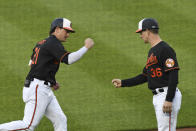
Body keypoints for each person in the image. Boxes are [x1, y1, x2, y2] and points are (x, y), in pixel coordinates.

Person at [0, 18, 94, 131]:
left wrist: (51, 80)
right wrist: (86, 47)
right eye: (66, 31)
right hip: (38, 89)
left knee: (60, 119)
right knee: (28, 126)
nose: (68, 35)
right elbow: (69, 59)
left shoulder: (42, 43)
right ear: (57, 29)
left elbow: (33, 64)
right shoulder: (53, 43)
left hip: (42, 87)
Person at [112, 18, 182, 131]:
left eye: (141, 32)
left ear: (148, 31)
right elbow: (145, 76)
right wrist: (123, 82)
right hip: (159, 96)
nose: (140, 35)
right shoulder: (152, 51)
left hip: (166, 94)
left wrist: (169, 99)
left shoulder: (165, 49)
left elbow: (174, 74)